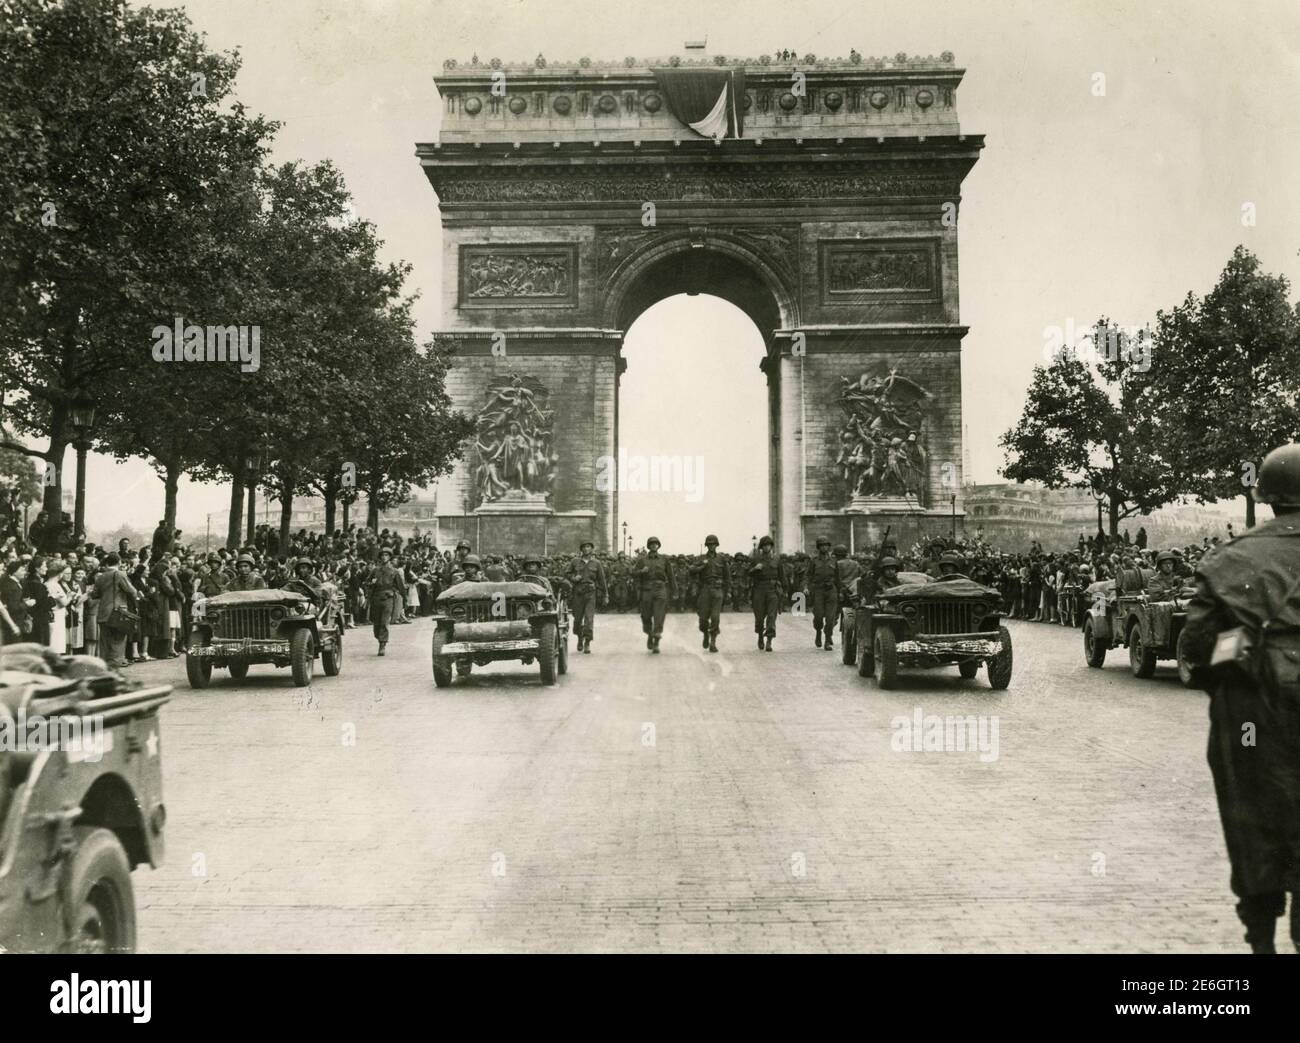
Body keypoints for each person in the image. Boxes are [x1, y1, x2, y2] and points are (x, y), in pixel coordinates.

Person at [1182, 443, 1300, 954]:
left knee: (1252, 812)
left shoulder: (1230, 559)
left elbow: (1197, 647)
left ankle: (1262, 939)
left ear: (1268, 496)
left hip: (1253, 707)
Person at [94, 553, 139, 669]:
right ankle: (114, 667)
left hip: (103, 612)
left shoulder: (100, 576)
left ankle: (104, 667)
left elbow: (95, 594)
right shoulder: (119, 574)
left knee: (104, 642)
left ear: (107, 563)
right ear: (119, 563)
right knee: (118, 641)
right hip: (117, 612)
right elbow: (132, 591)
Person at [632, 537, 674, 653]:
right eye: (651, 544)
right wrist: (641, 571)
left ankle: (656, 641)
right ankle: (650, 634)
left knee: (659, 615)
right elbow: (633, 572)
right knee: (646, 616)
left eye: (656, 544)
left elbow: (671, 576)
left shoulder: (664, 560)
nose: (654, 546)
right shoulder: (642, 560)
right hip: (646, 590)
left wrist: (674, 591)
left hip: (660, 589)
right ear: (648, 546)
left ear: (658, 546)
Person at [689, 534, 730, 653]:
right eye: (710, 544)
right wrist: (701, 567)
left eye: (714, 544)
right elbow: (691, 569)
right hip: (705, 590)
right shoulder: (701, 558)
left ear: (717, 545)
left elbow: (727, 577)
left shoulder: (722, 559)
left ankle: (713, 641)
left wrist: (728, 592)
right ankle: (705, 633)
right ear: (707, 546)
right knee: (703, 619)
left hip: (718, 590)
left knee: (715, 617)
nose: (712, 546)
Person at [566, 540, 607, 654]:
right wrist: (574, 578)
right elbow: (567, 573)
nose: (586, 549)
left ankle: (587, 642)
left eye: (588, 547)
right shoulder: (575, 562)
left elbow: (602, 580)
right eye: (584, 547)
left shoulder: (596, 563)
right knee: (577, 620)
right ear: (581, 549)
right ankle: (580, 638)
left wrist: (606, 595)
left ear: (592, 549)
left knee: (589, 619)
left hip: (590, 593)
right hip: (578, 593)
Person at [367, 547, 404, 656]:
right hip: (376, 598)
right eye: (382, 555)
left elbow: (400, 587)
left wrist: (403, 600)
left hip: (388, 598)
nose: (384, 557)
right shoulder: (375, 570)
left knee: (384, 622)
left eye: (386, 555)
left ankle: (382, 645)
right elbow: (366, 582)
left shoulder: (394, 571)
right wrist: (371, 583)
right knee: (376, 623)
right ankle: (380, 638)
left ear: (390, 557)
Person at [749, 535, 782, 652]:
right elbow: (748, 573)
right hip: (759, 589)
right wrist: (755, 569)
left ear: (771, 546)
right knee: (759, 617)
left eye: (768, 545)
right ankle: (760, 636)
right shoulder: (756, 559)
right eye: (764, 546)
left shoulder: (777, 559)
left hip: (772, 590)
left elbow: (782, 576)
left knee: (772, 616)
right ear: (761, 547)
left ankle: (769, 640)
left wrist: (785, 591)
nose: (767, 547)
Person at [806, 537, 839, 651]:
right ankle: (818, 632)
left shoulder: (834, 561)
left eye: (826, 545)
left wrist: (840, 592)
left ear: (829, 547)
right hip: (818, 590)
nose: (824, 547)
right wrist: (806, 587)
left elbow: (838, 578)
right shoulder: (814, 561)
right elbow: (808, 576)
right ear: (819, 547)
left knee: (830, 618)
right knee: (819, 616)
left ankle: (827, 640)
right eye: (822, 545)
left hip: (831, 591)